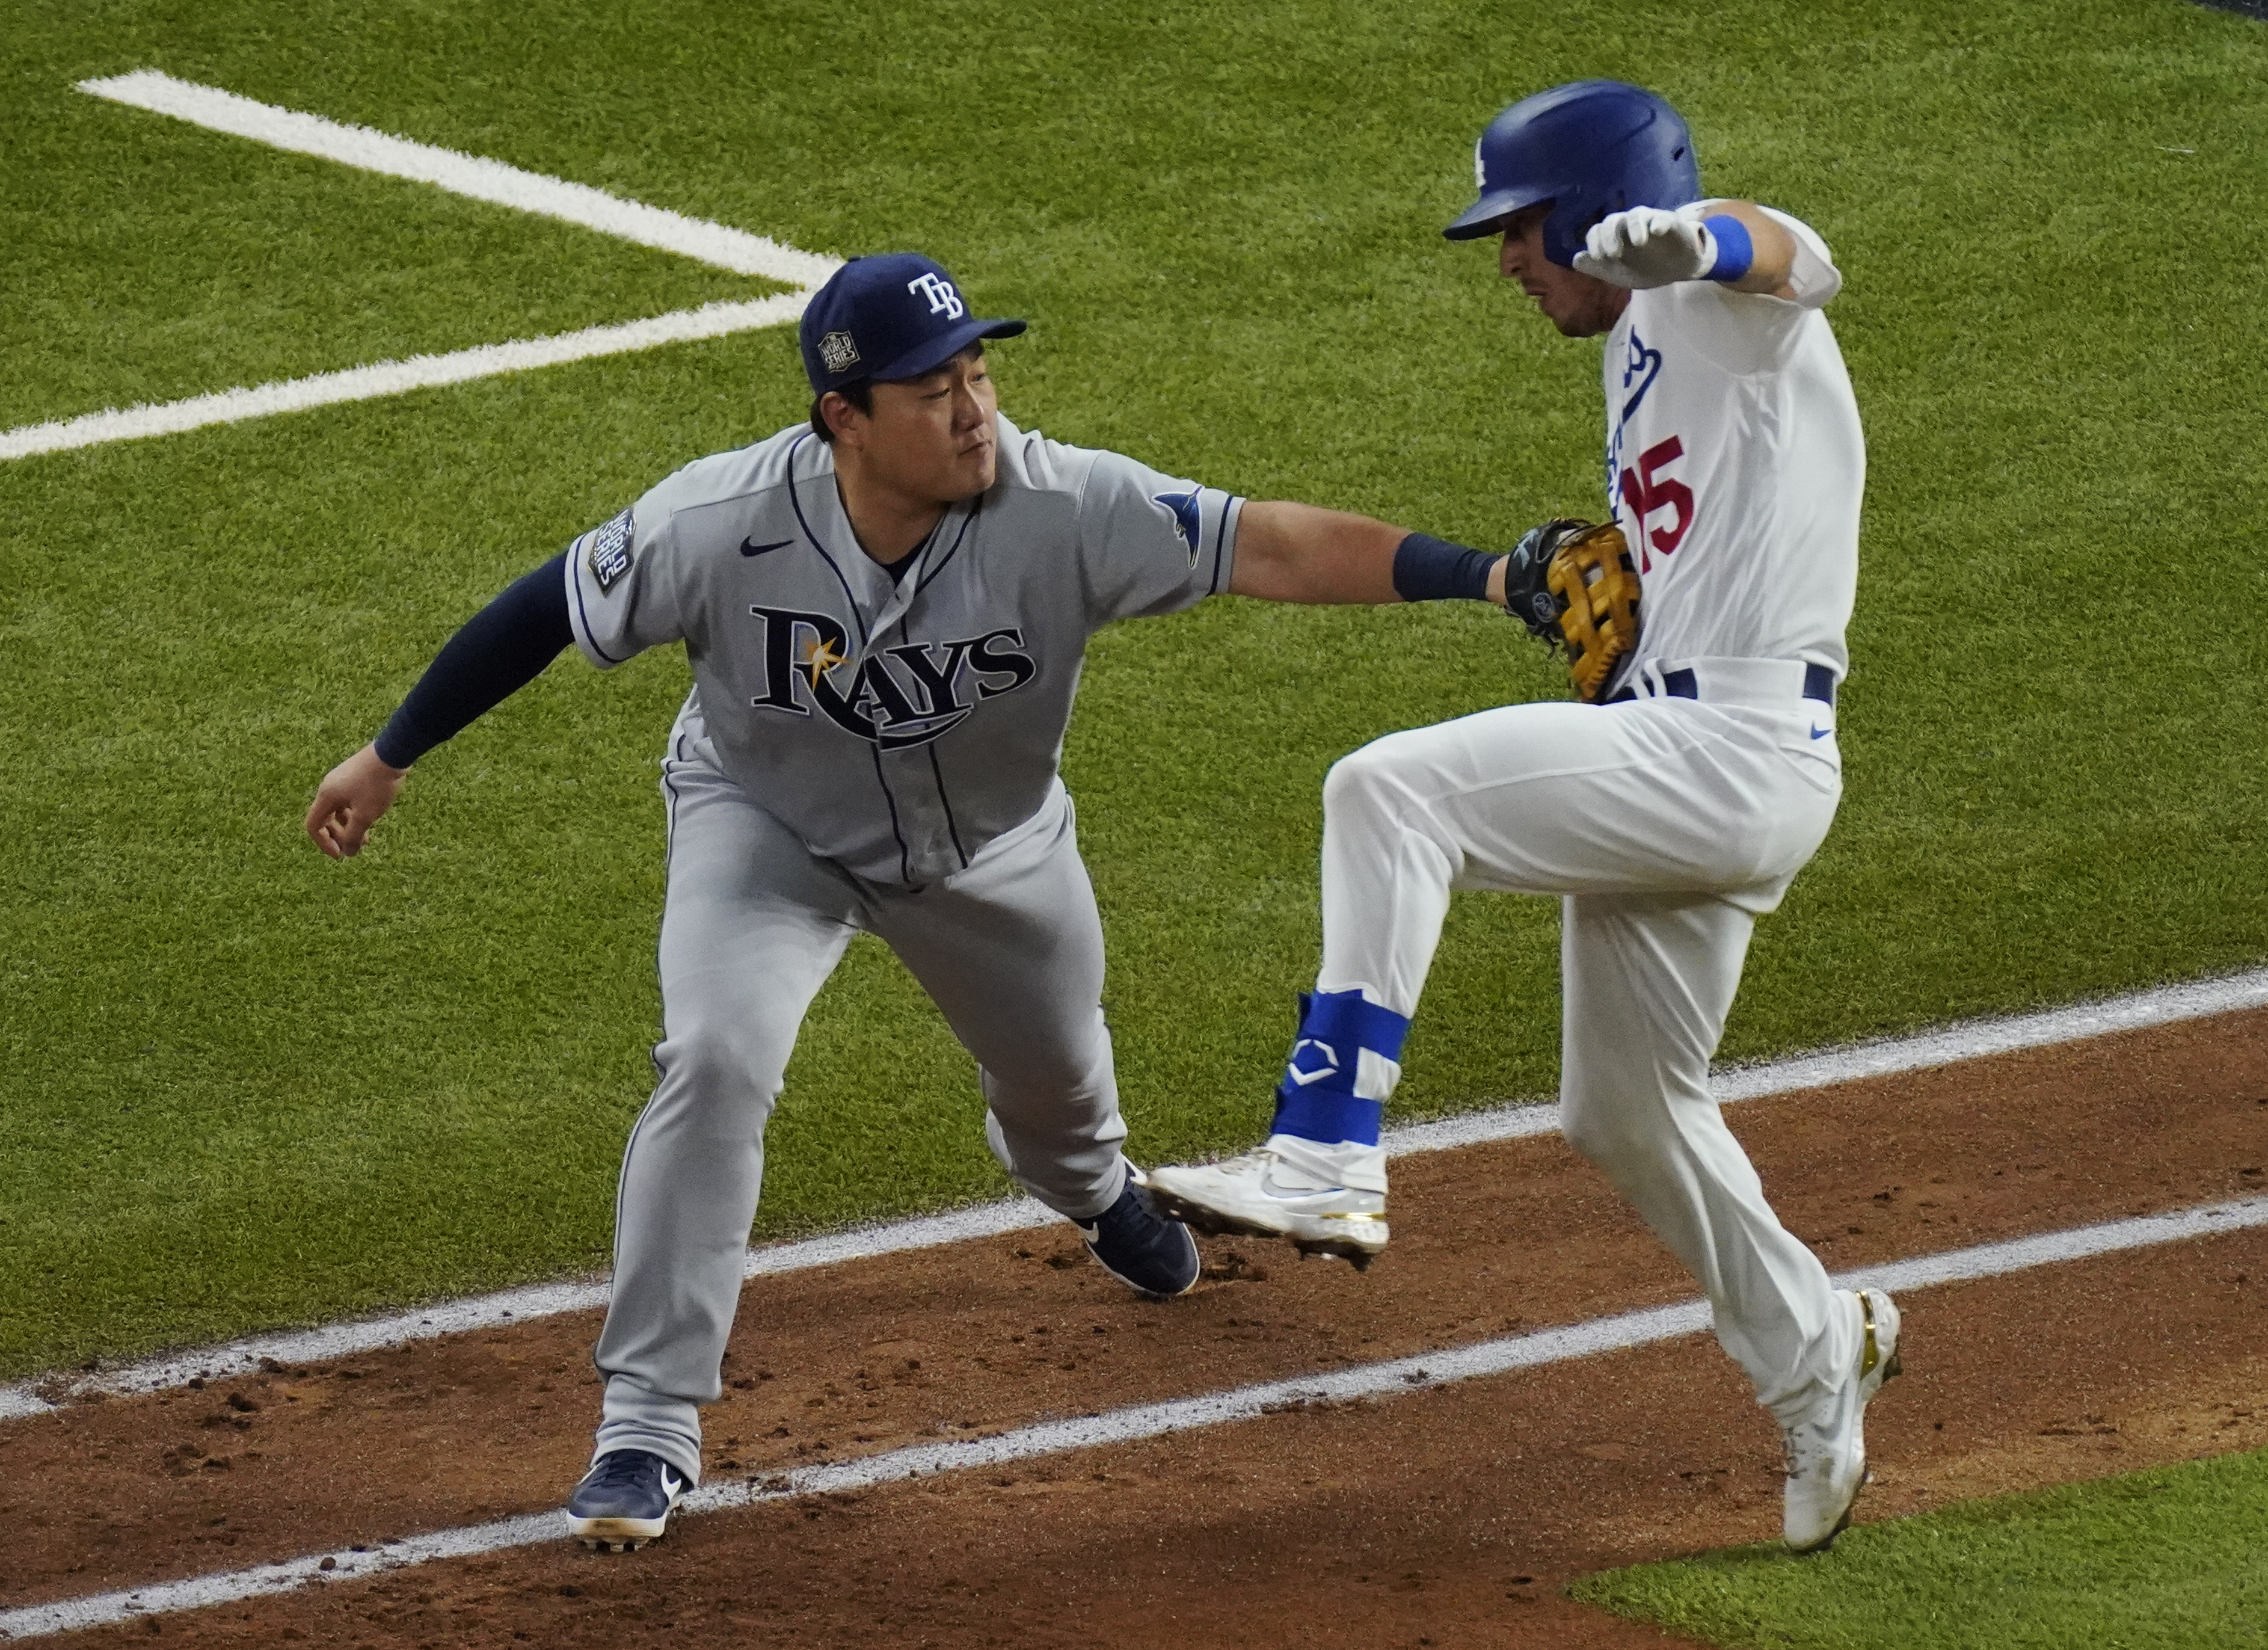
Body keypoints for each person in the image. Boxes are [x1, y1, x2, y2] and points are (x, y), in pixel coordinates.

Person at [303, 251, 1498, 1550]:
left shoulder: (1065, 501)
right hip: (764, 829)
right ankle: (648, 1422)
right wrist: (389, 754)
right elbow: (545, 606)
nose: (976, 408)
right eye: (935, 389)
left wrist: (1483, 575)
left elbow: (1267, 542)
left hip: (992, 848)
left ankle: (1095, 1191)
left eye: (979, 372)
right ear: (844, 420)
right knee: (714, 1056)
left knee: (1060, 1092)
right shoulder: (720, 521)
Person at [1145, 82, 1901, 1553]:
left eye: (1524, 228)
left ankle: (1326, 1155)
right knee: (1621, 1110)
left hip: (1736, 744)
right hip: (1686, 741)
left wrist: (1696, 237)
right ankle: (1820, 1359)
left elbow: (1803, 259)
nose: (1506, 260)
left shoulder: (1713, 302)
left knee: (1386, 787)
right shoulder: (1631, 353)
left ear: (1601, 207)